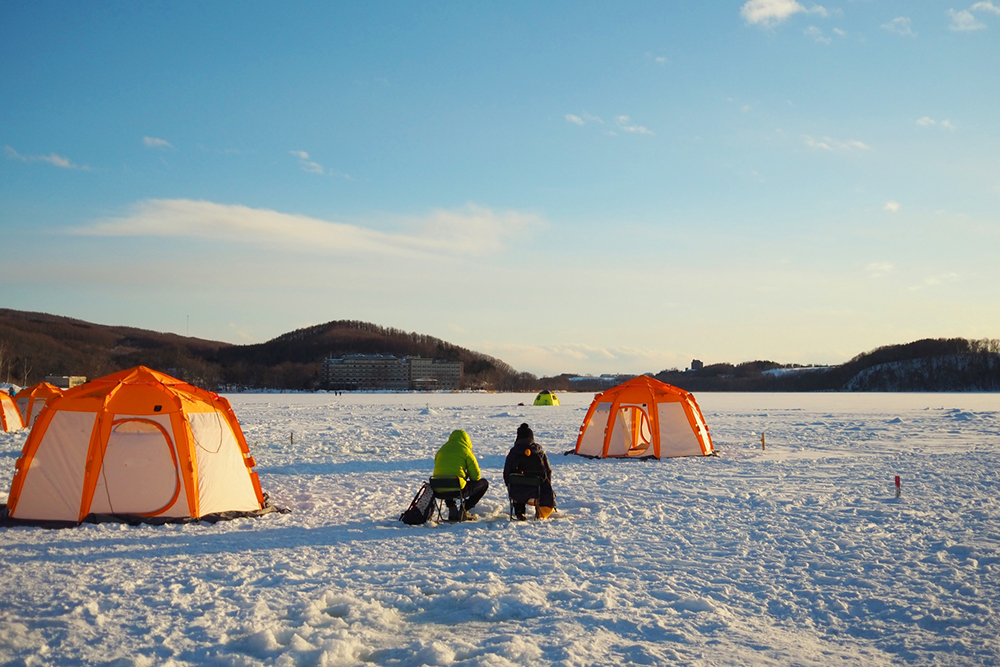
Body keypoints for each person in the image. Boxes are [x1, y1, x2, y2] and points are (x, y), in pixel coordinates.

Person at [433, 429, 489, 521]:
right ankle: (465, 509)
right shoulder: (465, 451)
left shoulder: (442, 450)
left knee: (448, 480)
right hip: (456, 488)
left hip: (438, 488)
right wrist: (466, 475)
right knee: (483, 484)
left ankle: (452, 509)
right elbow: (476, 477)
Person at [503, 423, 556, 520]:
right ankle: (539, 512)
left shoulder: (513, 453)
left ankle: (519, 512)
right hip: (536, 491)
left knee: (517, 485)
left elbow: (507, 473)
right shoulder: (539, 453)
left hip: (516, 490)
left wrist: (509, 486)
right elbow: (548, 471)